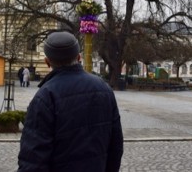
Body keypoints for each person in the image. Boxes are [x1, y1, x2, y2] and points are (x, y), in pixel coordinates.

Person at [18, 31, 123, 171]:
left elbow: (33, 160)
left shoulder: (44, 97)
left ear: (47, 62)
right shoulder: (104, 89)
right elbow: (116, 146)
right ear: (79, 57)